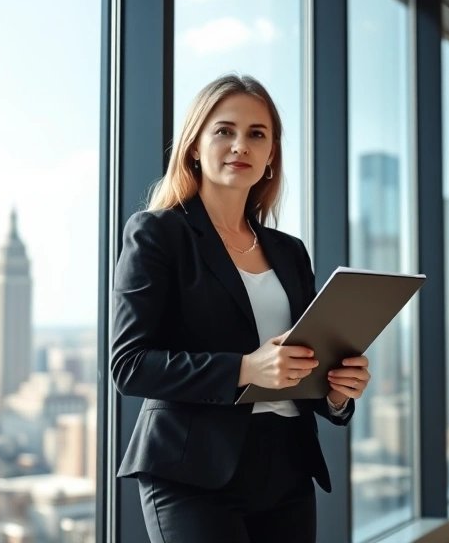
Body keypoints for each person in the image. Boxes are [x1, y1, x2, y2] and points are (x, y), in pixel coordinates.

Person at [110, 73, 371, 543]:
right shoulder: (157, 234)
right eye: (224, 131)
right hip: (193, 472)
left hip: (288, 467)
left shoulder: (288, 251)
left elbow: (300, 365)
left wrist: (336, 393)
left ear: (271, 154)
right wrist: (246, 368)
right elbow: (129, 367)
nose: (240, 146)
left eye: (257, 134)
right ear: (194, 146)